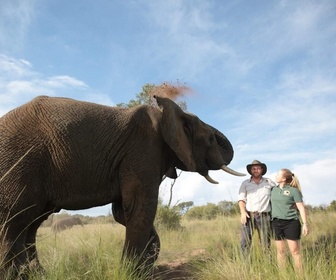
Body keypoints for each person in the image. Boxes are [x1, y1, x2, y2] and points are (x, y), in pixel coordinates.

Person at [271, 168, 309, 275]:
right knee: (280, 252)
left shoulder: (294, 191)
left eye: (278, 174)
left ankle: (300, 275)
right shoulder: (273, 189)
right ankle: (282, 274)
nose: (276, 175)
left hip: (291, 223)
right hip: (276, 223)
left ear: (283, 178)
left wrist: (305, 224)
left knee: (295, 252)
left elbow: (301, 208)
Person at [238, 160, 275, 256]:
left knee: (265, 243)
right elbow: (241, 199)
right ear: (250, 170)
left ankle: (267, 266)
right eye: (253, 168)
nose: (256, 170)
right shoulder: (245, 183)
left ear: (262, 170)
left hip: (265, 216)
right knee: (244, 242)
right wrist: (242, 212)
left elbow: (277, 195)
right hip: (249, 215)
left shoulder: (269, 182)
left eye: (258, 168)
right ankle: (245, 267)